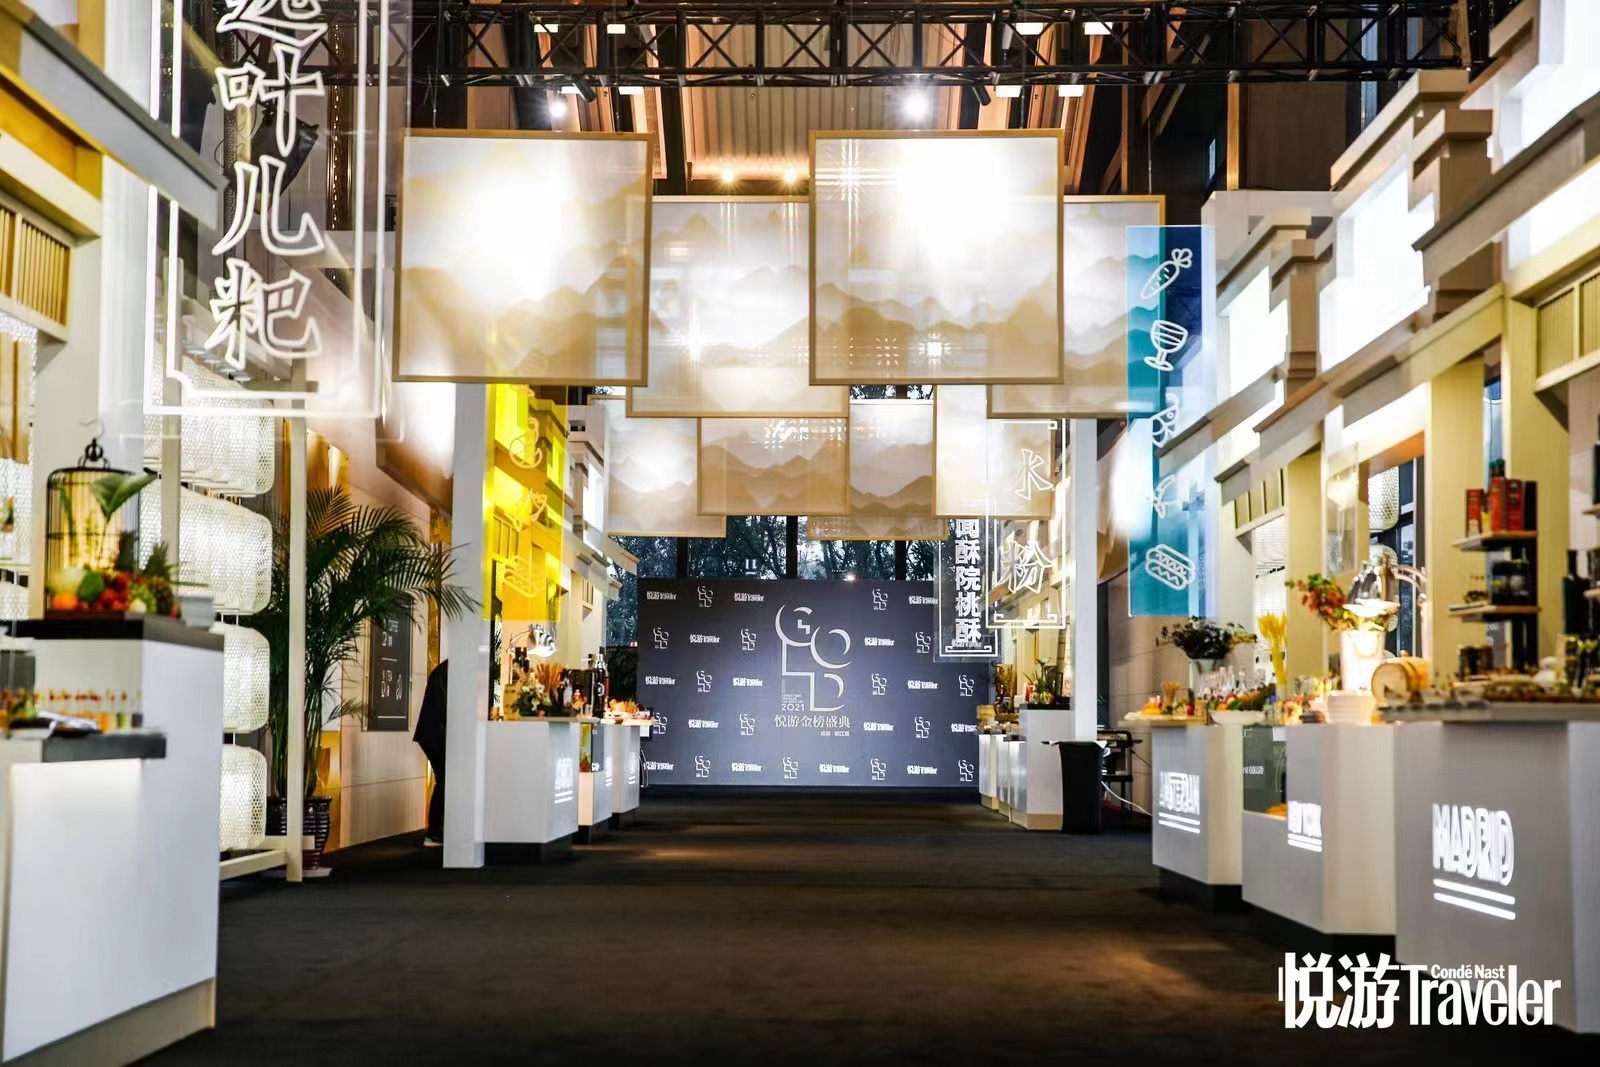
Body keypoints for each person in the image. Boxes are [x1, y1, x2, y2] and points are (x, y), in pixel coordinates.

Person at [414, 660, 449, 846]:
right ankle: (435, 832)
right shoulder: (452, 671)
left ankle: (438, 830)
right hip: (436, 734)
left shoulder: (446, 669)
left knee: (445, 779)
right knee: (445, 779)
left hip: (432, 733)